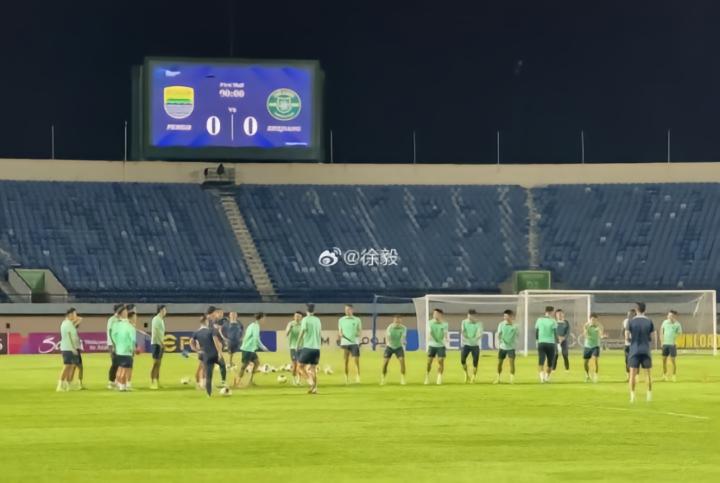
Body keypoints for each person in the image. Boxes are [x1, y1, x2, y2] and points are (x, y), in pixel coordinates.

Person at [626, 302, 655, 403]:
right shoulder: (649, 321)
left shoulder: (631, 321)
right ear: (645, 310)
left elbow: (627, 336)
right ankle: (649, 396)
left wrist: (632, 341)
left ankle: (632, 396)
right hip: (645, 349)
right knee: (648, 374)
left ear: (636, 310)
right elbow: (652, 336)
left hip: (634, 349)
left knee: (632, 374)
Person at [191, 315, 226, 397]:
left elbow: (191, 342)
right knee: (223, 365)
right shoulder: (211, 331)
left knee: (208, 376)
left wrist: (197, 350)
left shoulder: (196, 333)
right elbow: (216, 342)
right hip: (214, 354)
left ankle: (208, 394)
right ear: (206, 322)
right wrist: (220, 353)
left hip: (206, 356)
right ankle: (223, 381)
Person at [233, 312, 270, 388]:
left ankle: (250, 381)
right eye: (264, 318)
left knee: (257, 363)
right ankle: (237, 382)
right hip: (248, 349)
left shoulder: (252, 325)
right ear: (261, 318)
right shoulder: (255, 326)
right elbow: (256, 339)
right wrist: (264, 348)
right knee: (244, 366)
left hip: (250, 349)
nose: (264, 319)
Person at [296, 303, 322, 394]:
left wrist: (297, 344)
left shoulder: (305, 320)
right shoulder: (317, 320)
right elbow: (319, 333)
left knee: (299, 367)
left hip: (308, 347)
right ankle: (315, 389)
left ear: (306, 311)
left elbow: (302, 332)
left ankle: (310, 381)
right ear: (314, 311)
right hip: (316, 348)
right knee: (313, 369)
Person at [111, 310, 136, 392]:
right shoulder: (130, 327)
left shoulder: (118, 325)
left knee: (120, 368)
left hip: (119, 350)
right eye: (135, 317)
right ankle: (122, 386)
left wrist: (116, 345)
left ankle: (120, 384)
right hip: (126, 350)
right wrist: (133, 348)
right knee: (125, 369)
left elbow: (113, 335)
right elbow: (133, 340)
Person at [57, 308, 80, 392]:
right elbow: (70, 336)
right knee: (66, 366)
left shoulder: (68, 323)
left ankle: (67, 385)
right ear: (70, 314)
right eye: (75, 314)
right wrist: (73, 348)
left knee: (70, 366)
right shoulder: (67, 324)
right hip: (68, 348)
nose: (76, 316)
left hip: (68, 347)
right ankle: (60, 385)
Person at [338, 304, 362, 384]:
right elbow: (340, 331)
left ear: (352, 310)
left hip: (354, 343)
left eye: (348, 309)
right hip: (345, 343)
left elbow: (359, 331)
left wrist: (357, 334)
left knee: (356, 361)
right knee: (345, 361)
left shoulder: (357, 320)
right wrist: (340, 334)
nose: (347, 311)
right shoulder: (341, 320)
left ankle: (358, 376)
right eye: (346, 310)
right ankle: (346, 378)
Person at [381, 315, 407, 386]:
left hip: (399, 347)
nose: (397, 323)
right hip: (390, 347)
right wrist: (389, 342)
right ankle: (383, 378)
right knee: (385, 363)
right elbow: (388, 337)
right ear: (394, 321)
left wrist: (403, 341)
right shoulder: (390, 327)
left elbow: (403, 337)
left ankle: (402, 379)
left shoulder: (404, 328)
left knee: (402, 361)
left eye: (399, 321)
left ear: (401, 321)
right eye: (396, 321)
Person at [495, 309, 519, 384]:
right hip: (502, 347)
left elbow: (517, 335)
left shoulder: (515, 326)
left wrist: (512, 340)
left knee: (512, 363)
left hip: (511, 347)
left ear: (511, 316)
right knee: (499, 363)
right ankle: (498, 378)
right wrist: (501, 340)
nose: (505, 317)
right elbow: (499, 334)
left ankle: (511, 380)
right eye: (504, 316)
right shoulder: (501, 324)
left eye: (506, 316)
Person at [425, 308, 449, 385]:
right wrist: (436, 339)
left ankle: (439, 377)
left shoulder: (445, 324)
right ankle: (427, 376)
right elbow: (430, 332)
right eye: (434, 314)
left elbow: (445, 333)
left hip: (441, 345)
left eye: (437, 314)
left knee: (441, 360)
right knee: (429, 362)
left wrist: (446, 340)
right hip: (432, 345)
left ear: (440, 315)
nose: (435, 315)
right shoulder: (429, 323)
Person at [460, 309, 483, 383]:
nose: (469, 317)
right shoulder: (464, 322)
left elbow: (480, 333)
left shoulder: (479, 323)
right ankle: (466, 375)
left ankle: (473, 377)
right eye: (468, 315)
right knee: (462, 360)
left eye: (471, 316)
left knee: (475, 362)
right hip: (466, 344)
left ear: (474, 316)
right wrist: (465, 336)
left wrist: (475, 338)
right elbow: (463, 331)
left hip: (475, 345)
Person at [535, 306, 557, 383]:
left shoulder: (539, 320)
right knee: (550, 362)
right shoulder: (553, 321)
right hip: (550, 343)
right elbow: (555, 333)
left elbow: (536, 331)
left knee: (541, 360)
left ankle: (542, 378)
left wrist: (537, 341)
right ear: (552, 312)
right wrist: (558, 344)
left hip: (541, 343)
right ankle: (547, 377)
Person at [106, 304, 125, 389]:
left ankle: (117, 381)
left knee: (119, 364)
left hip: (120, 344)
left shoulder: (120, 320)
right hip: (112, 344)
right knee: (115, 363)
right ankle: (111, 381)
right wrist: (114, 344)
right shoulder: (112, 320)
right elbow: (110, 332)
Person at [661, 310, 683, 382]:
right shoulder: (665, 322)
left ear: (674, 316)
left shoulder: (677, 324)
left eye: (670, 315)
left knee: (672, 360)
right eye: (668, 315)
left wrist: (676, 341)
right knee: (664, 360)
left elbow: (680, 334)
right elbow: (661, 331)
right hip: (665, 344)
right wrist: (662, 341)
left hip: (672, 345)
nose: (669, 316)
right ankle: (665, 375)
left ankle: (674, 375)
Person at [150, 305, 167, 390]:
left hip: (160, 343)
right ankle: (152, 382)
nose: (166, 311)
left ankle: (157, 381)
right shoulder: (156, 319)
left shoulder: (161, 320)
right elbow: (156, 332)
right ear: (160, 310)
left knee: (159, 364)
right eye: (164, 310)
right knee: (155, 363)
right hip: (156, 343)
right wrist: (161, 342)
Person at [583, 314, 603, 383]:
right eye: (592, 320)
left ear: (597, 320)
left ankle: (595, 375)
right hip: (587, 345)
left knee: (595, 359)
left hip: (596, 345)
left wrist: (602, 335)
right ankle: (587, 375)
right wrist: (587, 333)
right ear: (590, 319)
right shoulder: (586, 325)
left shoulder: (599, 326)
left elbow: (600, 334)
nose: (593, 321)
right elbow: (585, 334)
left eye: (595, 320)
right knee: (585, 362)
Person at [286, 311, 303, 385]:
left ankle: (299, 380)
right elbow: (286, 334)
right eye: (296, 316)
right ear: (294, 317)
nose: (297, 318)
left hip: (301, 346)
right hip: (293, 347)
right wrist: (290, 328)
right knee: (294, 364)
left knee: (300, 364)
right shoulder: (290, 324)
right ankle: (293, 379)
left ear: (301, 317)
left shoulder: (303, 324)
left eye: (298, 316)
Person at [621, 309, 637, 381]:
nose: (629, 315)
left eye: (631, 314)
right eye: (628, 314)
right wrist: (626, 338)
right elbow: (622, 331)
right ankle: (628, 376)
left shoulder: (637, 321)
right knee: (627, 360)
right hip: (627, 344)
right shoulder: (625, 321)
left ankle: (635, 377)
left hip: (635, 344)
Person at [72, 314, 85, 390]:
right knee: (79, 367)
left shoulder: (73, 329)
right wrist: (75, 317)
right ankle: (79, 384)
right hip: (75, 349)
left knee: (74, 367)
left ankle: (71, 383)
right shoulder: (72, 328)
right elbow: (80, 318)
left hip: (76, 349)